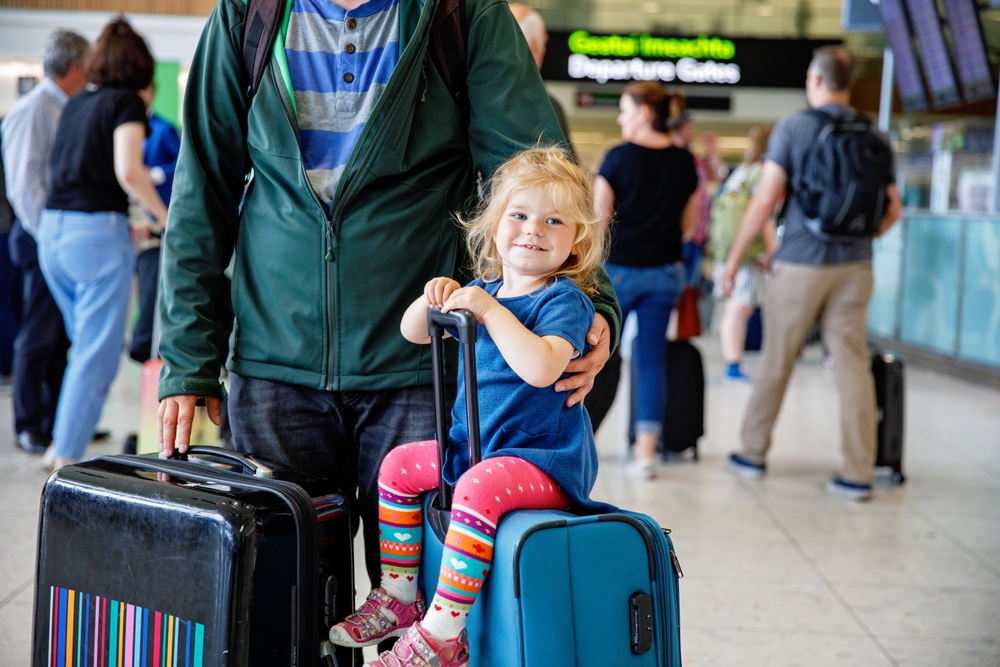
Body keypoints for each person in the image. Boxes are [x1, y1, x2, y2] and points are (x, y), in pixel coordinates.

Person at [155, 0, 621, 607]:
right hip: (276, 365)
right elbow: (202, 189)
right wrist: (187, 357)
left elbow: (538, 175)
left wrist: (595, 306)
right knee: (279, 609)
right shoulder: (251, 12)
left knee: (425, 608)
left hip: (420, 371)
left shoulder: (464, 14)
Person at [328, 147, 611, 667]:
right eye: (519, 215)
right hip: (477, 447)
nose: (534, 229)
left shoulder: (564, 301)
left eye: (554, 221)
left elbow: (542, 367)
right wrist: (433, 297)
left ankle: (443, 634)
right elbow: (413, 332)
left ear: (576, 242)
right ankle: (399, 595)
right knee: (398, 466)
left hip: (543, 460)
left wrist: (488, 309)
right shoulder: (483, 289)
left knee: (477, 486)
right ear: (493, 226)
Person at [723, 46, 901, 500]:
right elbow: (894, 208)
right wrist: (864, 240)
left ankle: (753, 452)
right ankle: (857, 473)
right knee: (851, 366)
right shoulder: (876, 135)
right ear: (848, 82)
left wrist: (734, 257)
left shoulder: (795, 127)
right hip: (856, 266)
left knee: (778, 358)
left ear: (813, 79)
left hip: (800, 262)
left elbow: (765, 200)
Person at [38, 17, 168, 470]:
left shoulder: (78, 102)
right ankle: (66, 455)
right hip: (94, 240)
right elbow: (128, 171)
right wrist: (164, 217)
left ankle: (61, 441)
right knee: (95, 356)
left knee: (83, 349)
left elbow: (78, 174)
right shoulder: (126, 103)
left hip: (54, 233)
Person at [593, 82, 698, 480]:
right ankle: (645, 455)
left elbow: (598, 223)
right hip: (665, 274)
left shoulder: (617, 159)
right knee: (651, 359)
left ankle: (581, 439)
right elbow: (688, 227)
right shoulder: (685, 162)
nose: (620, 118)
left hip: (617, 273)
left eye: (623, 110)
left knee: (598, 354)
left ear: (641, 113)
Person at [1, 31, 89, 455]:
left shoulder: (64, 106)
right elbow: (24, 187)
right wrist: (51, 239)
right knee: (37, 336)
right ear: (75, 66)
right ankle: (28, 423)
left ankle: (58, 422)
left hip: (57, 238)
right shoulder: (33, 110)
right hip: (39, 236)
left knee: (60, 338)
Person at [710, 125, 775, 382]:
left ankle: (733, 361)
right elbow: (764, 214)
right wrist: (773, 249)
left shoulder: (742, 172)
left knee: (734, 306)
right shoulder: (763, 173)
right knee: (739, 306)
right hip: (746, 253)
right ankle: (733, 363)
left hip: (727, 250)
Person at [130, 83, 181, 363]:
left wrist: (156, 175)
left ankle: (146, 343)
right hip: (128, 218)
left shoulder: (164, 129)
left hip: (156, 218)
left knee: (152, 286)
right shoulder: (121, 127)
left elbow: (183, 161)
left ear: (150, 92)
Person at [508, 3, 575, 159]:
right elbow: (565, 170)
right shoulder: (547, 107)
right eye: (544, 43)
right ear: (534, 47)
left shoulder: (468, 95)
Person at [672, 112, 722, 286]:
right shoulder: (669, 158)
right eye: (688, 128)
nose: (691, 132)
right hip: (677, 234)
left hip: (698, 234)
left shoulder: (695, 160)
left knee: (689, 287)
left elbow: (715, 175)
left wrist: (713, 150)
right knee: (674, 285)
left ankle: (683, 313)